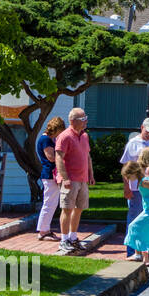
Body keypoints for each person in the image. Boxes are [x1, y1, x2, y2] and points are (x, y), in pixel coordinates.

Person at [54, 108, 96, 254]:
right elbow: (58, 157)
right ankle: (64, 240)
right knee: (67, 209)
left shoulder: (84, 136)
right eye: (82, 119)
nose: (86, 121)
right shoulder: (64, 136)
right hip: (70, 179)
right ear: (73, 121)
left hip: (83, 179)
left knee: (79, 208)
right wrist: (65, 178)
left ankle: (73, 238)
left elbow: (87, 156)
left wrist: (91, 174)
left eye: (86, 118)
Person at [121, 118, 149, 234]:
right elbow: (125, 167)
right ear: (142, 127)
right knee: (135, 218)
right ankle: (131, 250)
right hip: (135, 187)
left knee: (146, 218)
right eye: (148, 131)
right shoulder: (133, 143)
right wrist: (126, 187)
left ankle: (143, 249)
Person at [35, 116, 67, 240]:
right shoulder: (46, 140)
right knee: (49, 203)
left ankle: (45, 229)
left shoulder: (48, 139)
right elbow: (51, 157)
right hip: (49, 174)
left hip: (50, 174)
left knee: (52, 203)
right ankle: (43, 231)